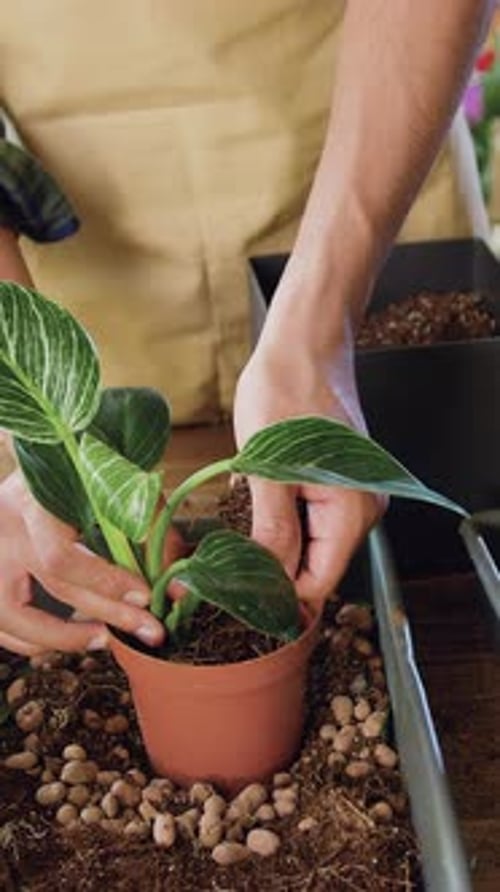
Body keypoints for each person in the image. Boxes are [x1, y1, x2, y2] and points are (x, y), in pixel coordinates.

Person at [0, 0, 494, 656]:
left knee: (431, 589)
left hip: (367, 157)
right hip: (85, 270)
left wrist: (320, 330)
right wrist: (28, 439)